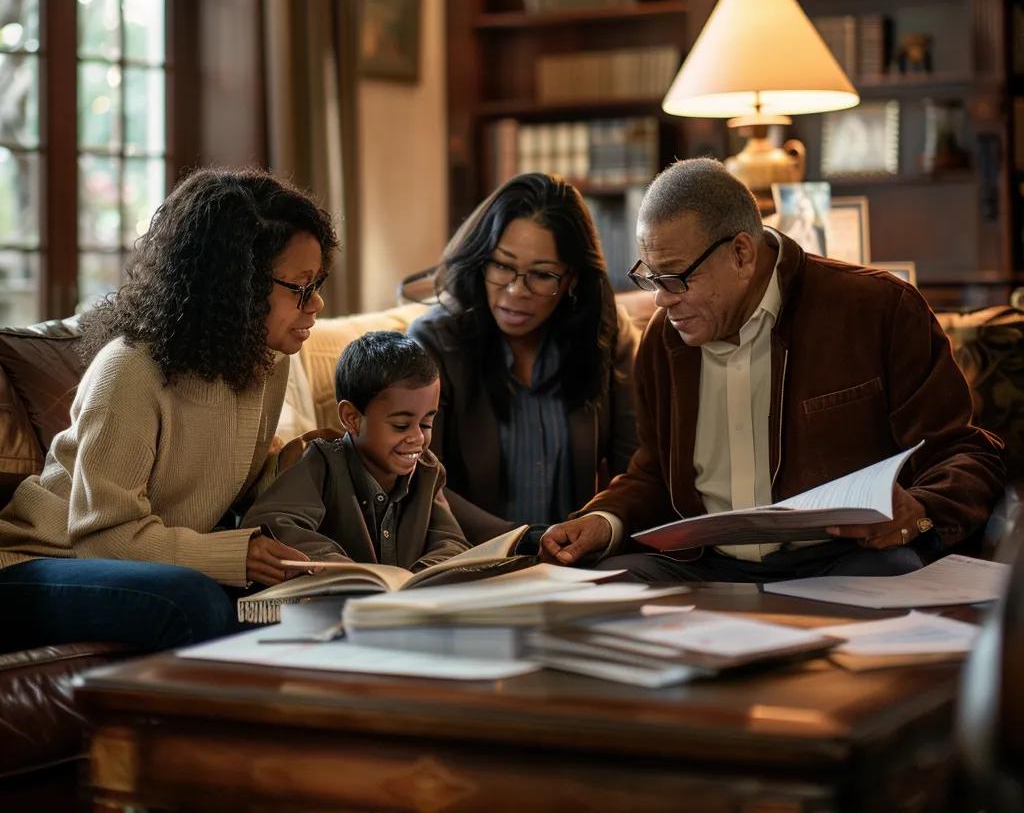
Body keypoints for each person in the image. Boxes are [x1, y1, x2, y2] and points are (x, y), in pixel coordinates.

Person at [540, 157, 1005, 582]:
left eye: (676, 277)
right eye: (649, 277)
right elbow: (656, 474)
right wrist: (603, 522)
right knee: (590, 592)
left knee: (891, 575)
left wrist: (919, 510)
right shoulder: (665, 340)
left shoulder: (878, 309)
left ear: (742, 254)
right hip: (704, 564)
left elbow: (964, 454)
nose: (661, 299)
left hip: (844, 557)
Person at [0, 168, 338, 652]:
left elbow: (218, 484)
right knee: (193, 602)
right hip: (40, 562)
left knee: (306, 606)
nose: (317, 304)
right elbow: (102, 537)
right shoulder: (130, 370)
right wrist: (234, 557)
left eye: (317, 282)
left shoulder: (266, 361)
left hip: (137, 565)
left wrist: (299, 467)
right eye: (301, 288)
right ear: (235, 285)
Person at [408, 173, 639, 545]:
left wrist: (601, 525)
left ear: (572, 280)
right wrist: (527, 541)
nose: (516, 291)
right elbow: (420, 484)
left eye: (542, 274)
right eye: (502, 265)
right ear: (480, 260)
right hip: (471, 559)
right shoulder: (432, 343)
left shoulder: (608, 337)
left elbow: (637, 470)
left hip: (581, 561)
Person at [241, 331, 469, 568]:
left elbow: (452, 542)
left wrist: (420, 576)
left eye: (426, 423)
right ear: (352, 418)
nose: (418, 438)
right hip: (335, 601)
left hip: (407, 601)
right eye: (401, 426)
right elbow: (272, 524)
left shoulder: (427, 472)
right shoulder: (320, 461)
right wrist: (350, 570)